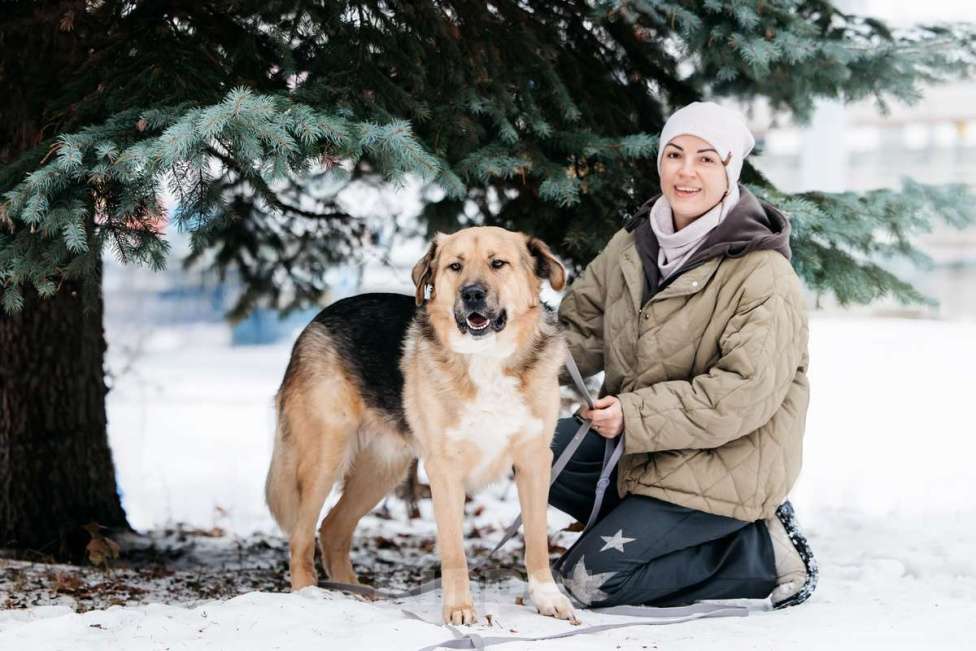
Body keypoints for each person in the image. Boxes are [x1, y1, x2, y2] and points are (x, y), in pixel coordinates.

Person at [552, 101, 817, 610]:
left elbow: (742, 394)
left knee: (589, 580)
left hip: (726, 459)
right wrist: (500, 355)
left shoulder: (763, 274)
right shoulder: (634, 243)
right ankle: (646, 526)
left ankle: (759, 553)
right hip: (644, 451)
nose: (686, 171)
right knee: (527, 448)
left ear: (729, 170)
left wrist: (634, 414)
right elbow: (579, 330)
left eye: (706, 159)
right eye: (674, 154)